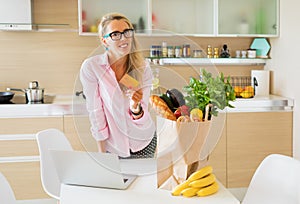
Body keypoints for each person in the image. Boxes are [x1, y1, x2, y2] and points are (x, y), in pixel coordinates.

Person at [80, 13, 156, 159]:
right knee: (116, 182)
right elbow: (96, 111)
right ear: (104, 41)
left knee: (143, 183)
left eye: (127, 32)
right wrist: (102, 155)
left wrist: (136, 108)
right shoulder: (93, 67)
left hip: (144, 143)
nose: (123, 38)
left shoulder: (142, 68)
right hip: (114, 148)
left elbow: (143, 114)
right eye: (115, 34)